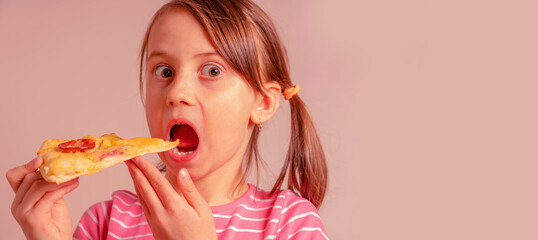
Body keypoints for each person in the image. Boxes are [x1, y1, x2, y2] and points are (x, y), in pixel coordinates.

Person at [6, 0, 328, 239]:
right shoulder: (107, 223)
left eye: (211, 71)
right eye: (165, 72)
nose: (177, 92)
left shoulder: (290, 224)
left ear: (263, 103)